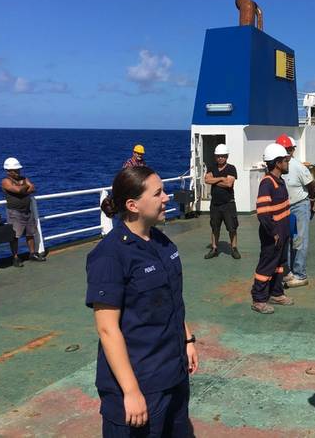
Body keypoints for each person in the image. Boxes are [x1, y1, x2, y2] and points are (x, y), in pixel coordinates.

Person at [86, 166, 198, 436]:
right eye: (158, 193)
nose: (167, 198)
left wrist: (187, 340)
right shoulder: (110, 256)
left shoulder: (161, 242)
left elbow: (171, 299)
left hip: (173, 373)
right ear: (133, 205)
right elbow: (107, 329)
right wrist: (131, 391)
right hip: (141, 382)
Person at [250, 143, 294, 314]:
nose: (288, 162)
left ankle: (276, 292)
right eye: (285, 160)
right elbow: (263, 213)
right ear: (277, 163)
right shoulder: (268, 183)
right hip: (273, 234)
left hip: (282, 233)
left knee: (279, 264)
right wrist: (274, 232)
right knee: (267, 265)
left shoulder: (279, 181)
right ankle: (258, 299)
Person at [275, 134, 315, 289]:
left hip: (299, 205)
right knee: (286, 240)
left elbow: (312, 185)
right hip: (285, 207)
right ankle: (287, 272)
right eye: (284, 150)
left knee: (299, 241)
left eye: (288, 150)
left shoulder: (298, 167)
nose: (286, 152)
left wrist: (311, 202)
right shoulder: (277, 167)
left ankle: (300, 275)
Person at [1, 157, 46, 267]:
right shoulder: (5, 181)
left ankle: (32, 253)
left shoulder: (23, 178)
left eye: (18, 170)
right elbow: (18, 190)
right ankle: (15, 257)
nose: (18, 172)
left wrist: (22, 188)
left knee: (30, 233)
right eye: (15, 170)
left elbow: (33, 188)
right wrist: (25, 186)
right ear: (8, 171)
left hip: (27, 210)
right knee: (15, 236)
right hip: (14, 212)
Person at [204, 144, 240, 259]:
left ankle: (234, 248)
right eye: (218, 156)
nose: (220, 158)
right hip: (215, 204)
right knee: (214, 227)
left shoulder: (231, 168)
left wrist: (214, 180)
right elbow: (206, 179)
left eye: (223, 156)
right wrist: (220, 178)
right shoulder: (211, 167)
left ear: (227, 156)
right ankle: (214, 248)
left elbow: (229, 183)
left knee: (232, 228)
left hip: (228, 203)